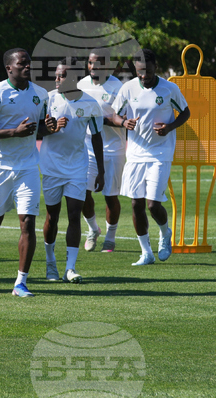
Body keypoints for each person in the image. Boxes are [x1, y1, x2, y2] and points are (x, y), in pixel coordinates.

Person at [0, 48, 53, 298]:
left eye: (29, 63)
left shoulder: (41, 95)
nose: (27, 67)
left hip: (28, 167)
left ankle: (21, 283)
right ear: (9, 68)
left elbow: (38, 130)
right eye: (22, 64)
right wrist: (12, 132)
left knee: (28, 223)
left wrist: (48, 128)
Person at [113, 49, 190, 266]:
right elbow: (114, 114)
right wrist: (122, 122)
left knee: (152, 204)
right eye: (139, 72)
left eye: (146, 70)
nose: (143, 75)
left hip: (160, 153)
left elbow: (185, 112)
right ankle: (146, 253)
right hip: (135, 154)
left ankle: (165, 234)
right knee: (136, 203)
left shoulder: (169, 88)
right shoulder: (128, 88)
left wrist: (169, 127)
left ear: (155, 66)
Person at [40, 61, 105, 284]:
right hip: (51, 166)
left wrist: (101, 170)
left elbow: (96, 136)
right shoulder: (48, 99)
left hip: (78, 166)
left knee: (74, 214)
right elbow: (38, 129)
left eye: (61, 77)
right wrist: (49, 127)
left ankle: (70, 268)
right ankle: (50, 264)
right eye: (56, 76)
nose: (56, 80)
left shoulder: (91, 103)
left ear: (74, 79)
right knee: (52, 216)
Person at [77, 49, 127, 252]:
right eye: (90, 63)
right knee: (82, 193)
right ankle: (93, 229)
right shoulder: (81, 85)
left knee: (110, 195)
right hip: (87, 147)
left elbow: (121, 119)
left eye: (98, 63)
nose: (93, 67)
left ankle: (111, 237)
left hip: (113, 149)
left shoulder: (119, 87)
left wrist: (97, 118)